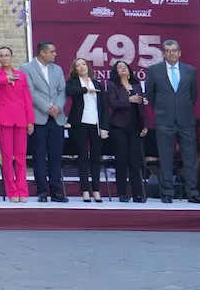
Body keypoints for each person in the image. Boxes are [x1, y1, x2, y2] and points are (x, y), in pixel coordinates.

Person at [146, 39, 200, 203]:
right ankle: (167, 193)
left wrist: (182, 108)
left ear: (179, 52)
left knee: (190, 158)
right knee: (165, 158)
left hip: (186, 120)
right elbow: (150, 95)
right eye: (168, 51)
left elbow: (193, 95)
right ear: (163, 54)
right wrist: (162, 109)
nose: (171, 53)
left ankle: (192, 193)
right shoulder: (154, 71)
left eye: (174, 50)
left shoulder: (190, 71)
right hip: (164, 120)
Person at [0, 46, 33, 202]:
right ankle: (11, 191)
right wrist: (6, 79)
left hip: (21, 119)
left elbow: (27, 98)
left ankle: (22, 190)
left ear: (12, 57)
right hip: (4, 119)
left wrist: (30, 120)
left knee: (20, 157)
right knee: (7, 156)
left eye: (7, 55)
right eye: (1, 56)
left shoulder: (21, 75)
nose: (4, 58)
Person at [22, 41, 67, 202]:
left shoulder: (58, 69)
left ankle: (56, 191)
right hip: (39, 117)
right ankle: (42, 190)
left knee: (55, 156)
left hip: (57, 118)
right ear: (42, 52)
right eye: (52, 51)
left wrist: (58, 107)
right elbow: (30, 92)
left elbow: (62, 91)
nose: (55, 54)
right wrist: (48, 107)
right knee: (39, 155)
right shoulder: (26, 68)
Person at [65, 58, 108, 202]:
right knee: (83, 157)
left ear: (88, 67)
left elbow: (104, 108)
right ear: (75, 69)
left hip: (95, 124)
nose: (81, 67)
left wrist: (104, 127)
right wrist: (85, 90)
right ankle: (85, 190)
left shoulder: (97, 83)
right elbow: (69, 91)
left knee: (96, 158)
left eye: (83, 64)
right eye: (78, 65)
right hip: (80, 124)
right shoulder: (73, 82)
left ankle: (96, 189)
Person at [104, 60, 149, 203]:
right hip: (119, 127)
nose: (122, 69)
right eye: (119, 67)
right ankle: (122, 193)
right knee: (122, 161)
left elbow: (142, 108)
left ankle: (138, 194)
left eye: (125, 67)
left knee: (135, 162)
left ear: (129, 71)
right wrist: (129, 99)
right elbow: (113, 103)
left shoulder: (136, 86)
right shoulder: (112, 85)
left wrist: (145, 124)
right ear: (116, 72)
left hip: (135, 127)